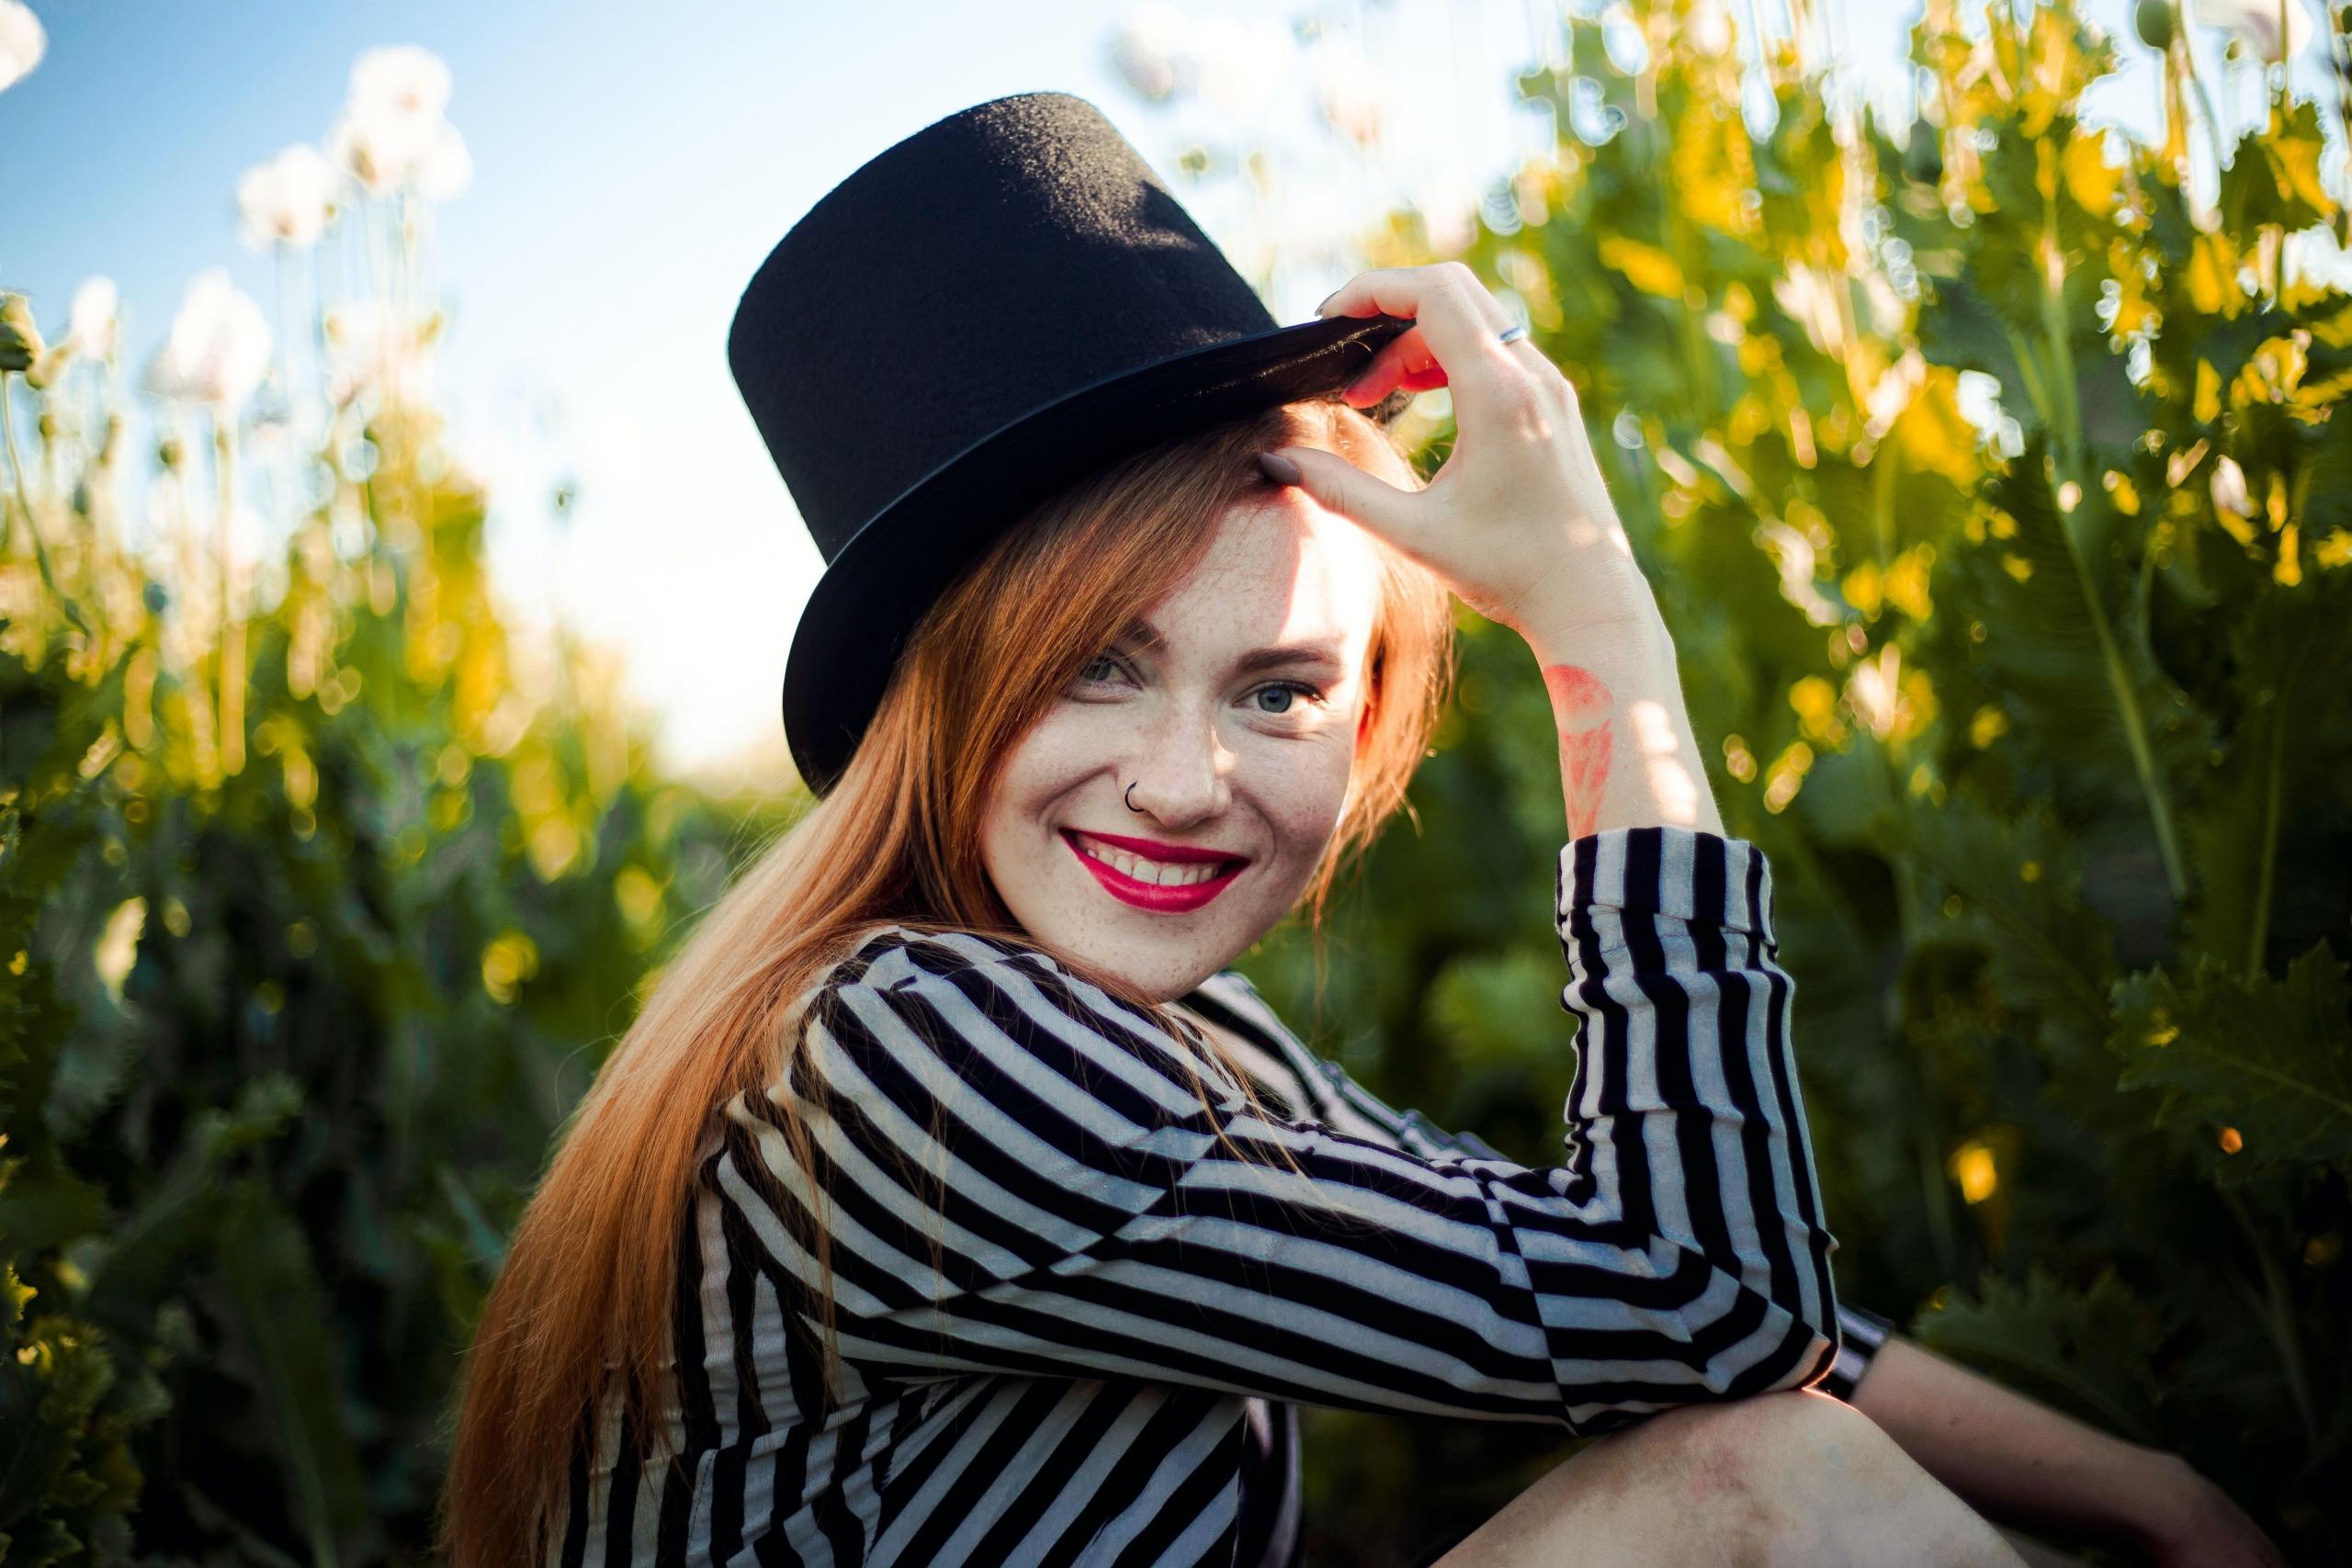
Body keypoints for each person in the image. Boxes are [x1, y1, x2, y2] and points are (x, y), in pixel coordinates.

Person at [440, 94, 2280, 1568]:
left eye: (1277, 690)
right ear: (943, 702)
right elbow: (1713, 1306)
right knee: (1757, 1486)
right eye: (1098, 667)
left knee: (1761, 1466)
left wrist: (2146, 1487)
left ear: (1374, 720)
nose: (1184, 779)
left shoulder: (1176, 1041)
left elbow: (1621, 1267)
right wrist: (1599, 639)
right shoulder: (917, 1051)